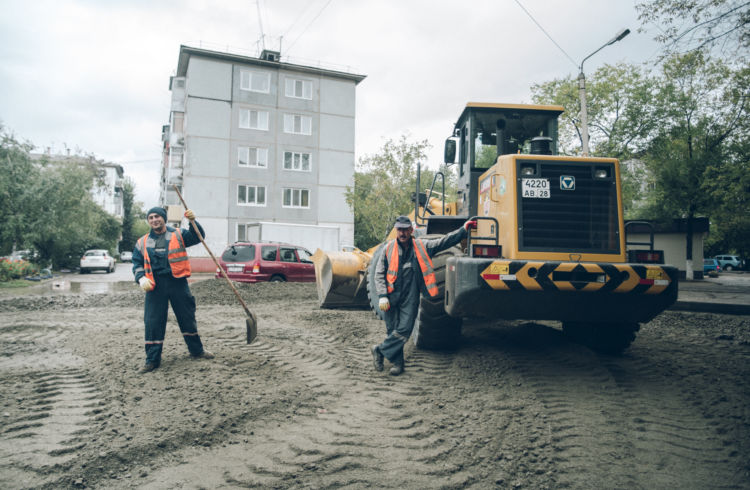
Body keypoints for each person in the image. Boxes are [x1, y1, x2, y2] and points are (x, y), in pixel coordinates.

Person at [371, 215, 476, 375]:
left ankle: (379, 350)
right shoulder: (388, 249)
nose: (402, 233)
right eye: (399, 230)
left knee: (404, 329)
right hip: (390, 295)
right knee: (392, 329)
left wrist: (463, 230)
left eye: (405, 230)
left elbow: (444, 242)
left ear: (411, 230)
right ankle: (398, 364)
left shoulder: (422, 246)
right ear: (396, 231)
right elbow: (379, 273)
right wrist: (382, 295)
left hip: (410, 295)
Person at [132, 206, 214, 373]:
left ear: (164, 218)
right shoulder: (142, 242)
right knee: (153, 322)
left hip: (178, 283)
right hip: (155, 286)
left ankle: (197, 351)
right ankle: (152, 361)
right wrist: (141, 278)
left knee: (187, 317)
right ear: (149, 221)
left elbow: (198, 237)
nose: (154, 220)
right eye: (151, 217)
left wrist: (193, 222)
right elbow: (137, 263)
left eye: (157, 217)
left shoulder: (179, 234)